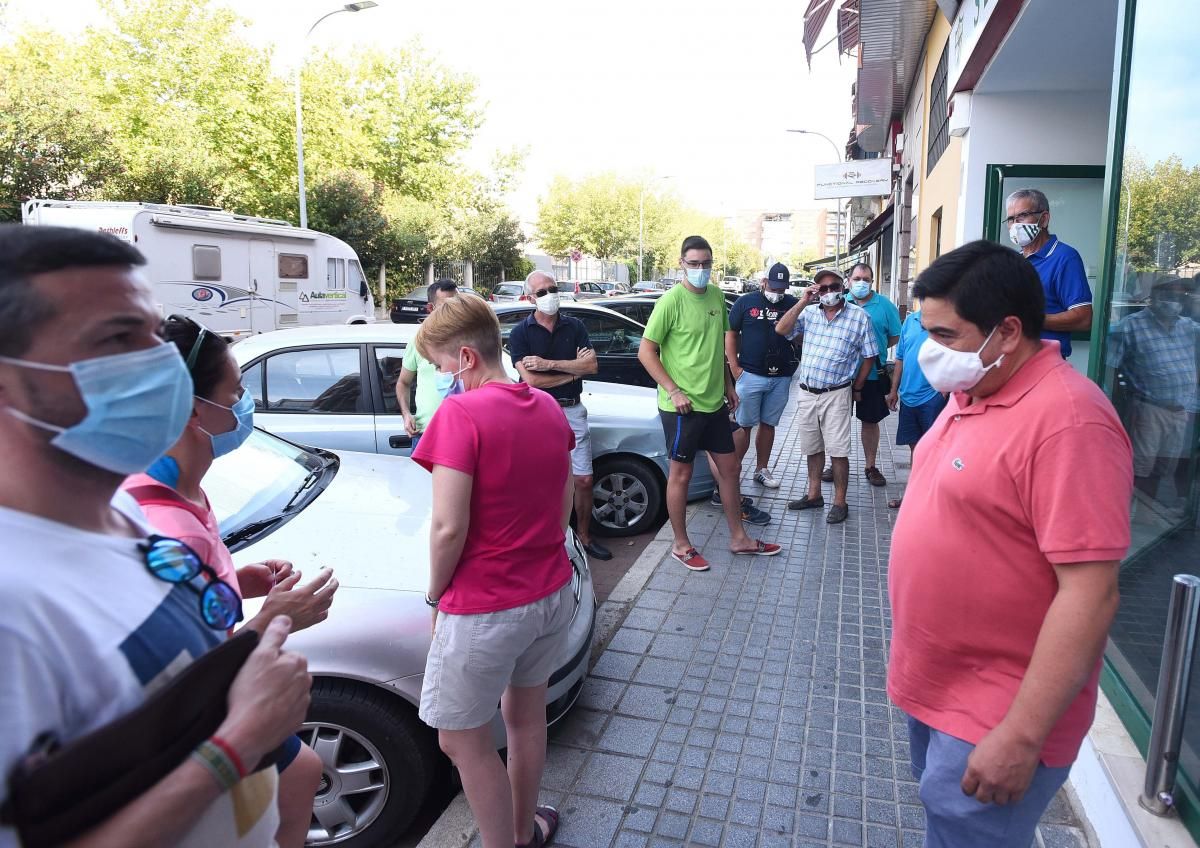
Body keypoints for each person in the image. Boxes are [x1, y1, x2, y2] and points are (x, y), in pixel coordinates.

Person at [0, 224, 311, 848]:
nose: (161, 367)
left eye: (153, 337)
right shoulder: (13, 605)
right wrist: (235, 745)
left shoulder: (125, 513)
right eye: (118, 338)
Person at [888, 240, 1132, 848]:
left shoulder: (1070, 422)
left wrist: (1022, 735)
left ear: (1008, 332)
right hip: (939, 688)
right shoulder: (973, 390)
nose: (929, 352)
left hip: (997, 710)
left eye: (946, 335)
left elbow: (1091, 594)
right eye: (925, 332)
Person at [122, 315, 340, 848]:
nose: (244, 407)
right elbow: (181, 674)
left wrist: (238, 582)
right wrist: (276, 620)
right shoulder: (163, 526)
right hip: (207, 712)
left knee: (302, 772)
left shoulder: (183, 490)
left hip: (224, 698)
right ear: (194, 408)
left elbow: (189, 598)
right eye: (235, 392)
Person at [410, 294, 574, 848]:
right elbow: (562, 506)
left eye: (438, 366)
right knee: (526, 719)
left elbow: (447, 528)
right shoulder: (548, 408)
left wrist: (435, 597)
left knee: (459, 739)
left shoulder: (461, 414)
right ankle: (524, 830)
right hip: (550, 592)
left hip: (486, 606)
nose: (439, 378)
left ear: (464, 358)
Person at [638, 235, 782, 571]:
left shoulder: (716, 296)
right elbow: (646, 351)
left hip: (714, 403)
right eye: (694, 263)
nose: (701, 269)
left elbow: (717, 345)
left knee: (730, 470)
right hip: (681, 408)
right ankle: (681, 544)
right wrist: (673, 390)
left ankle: (739, 538)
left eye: (706, 263)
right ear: (682, 263)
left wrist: (729, 384)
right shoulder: (670, 302)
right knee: (682, 475)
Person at [509, 270, 611, 561]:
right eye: (541, 292)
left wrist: (547, 364)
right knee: (538, 481)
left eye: (552, 289)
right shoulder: (520, 332)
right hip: (536, 412)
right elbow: (531, 383)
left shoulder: (575, 326)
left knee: (584, 480)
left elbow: (591, 367)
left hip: (572, 408)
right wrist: (571, 369)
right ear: (530, 298)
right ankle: (544, 542)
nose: (549, 296)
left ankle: (584, 537)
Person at [775, 268, 879, 524]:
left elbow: (870, 355)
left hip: (837, 393)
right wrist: (802, 300)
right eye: (823, 288)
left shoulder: (859, 317)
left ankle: (840, 501)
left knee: (838, 450)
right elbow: (781, 329)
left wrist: (857, 386)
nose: (830, 291)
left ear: (843, 286)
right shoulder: (809, 313)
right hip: (808, 392)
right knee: (813, 447)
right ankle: (814, 495)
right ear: (816, 290)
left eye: (834, 286)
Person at [1106, 274, 1200, 503]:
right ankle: (1134, 516)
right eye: (1168, 294)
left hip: (1180, 410)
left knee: (1164, 465)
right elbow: (1110, 367)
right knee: (1141, 466)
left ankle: (1150, 513)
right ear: (1155, 296)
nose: (1173, 300)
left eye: (1179, 295)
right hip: (1149, 408)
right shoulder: (1132, 325)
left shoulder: (1187, 326)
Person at [726, 262, 799, 489]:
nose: (777, 293)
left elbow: (802, 336)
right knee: (744, 425)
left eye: (781, 289)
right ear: (763, 282)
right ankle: (732, 472)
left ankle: (762, 469)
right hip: (750, 373)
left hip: (781, 376)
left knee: (768, 424)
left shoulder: (792, 304)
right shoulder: (745, 302)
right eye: (773, 287)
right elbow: (730, 334)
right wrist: (735, 367)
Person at [830, 262, 900, 488]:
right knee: (837, 422)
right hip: (841, 375)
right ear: (848, 281)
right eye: (857, 278)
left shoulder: (885, 306)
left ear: (872, 281)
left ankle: (870, 466)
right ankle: (835, 464)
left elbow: (894, 337)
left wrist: (875, 348)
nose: (861, 283)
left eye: (866, 279)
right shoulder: (839, 303)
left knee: (870, 421)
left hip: (871, 375)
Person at [1004, 188, 1093, 358]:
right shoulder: (1013, 261)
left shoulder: (1065, 257)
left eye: (1022, 216)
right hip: (1011, 362)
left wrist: (1032, 320)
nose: (1015, 224)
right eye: (1010, 219)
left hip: (1044, 364)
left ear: (1043, 219)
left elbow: (1083, 319)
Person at [884, 301, 947, 509]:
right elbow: (900, 358)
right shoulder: (911, 320)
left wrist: (944, 390)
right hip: (908, 396)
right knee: (916, 449)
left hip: (933, 397)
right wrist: (894, 390)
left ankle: (933, 500)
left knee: (934, 449)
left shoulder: (948, 321)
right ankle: (914, 496)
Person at [398, 278, 459, 449]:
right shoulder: (418, 342)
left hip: (460, 432)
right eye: (447, 305)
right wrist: (406, 414)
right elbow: (403, 383)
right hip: (425, 434)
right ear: (431, 308)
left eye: (457, 303)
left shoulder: (468, 341)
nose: (454, 310)